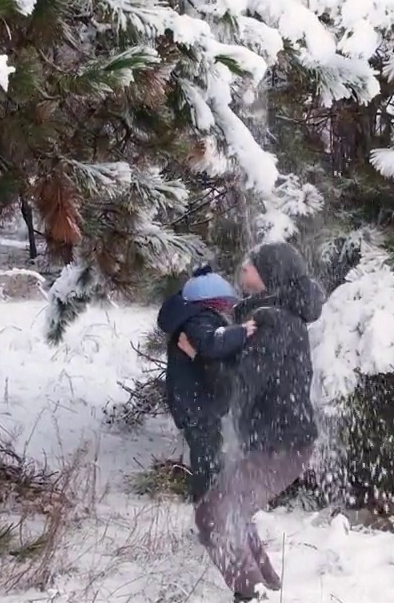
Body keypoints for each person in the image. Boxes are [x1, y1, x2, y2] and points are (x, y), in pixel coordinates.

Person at [190, 241, 323, 602]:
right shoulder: (274, 315)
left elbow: (243, 380)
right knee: (232, 511)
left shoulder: (273, 320)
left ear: (270, 275)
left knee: (214, 515)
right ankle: (267, 589)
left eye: (252, 265)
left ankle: (253, 596)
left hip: (280, 445)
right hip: (279, 441)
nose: (244, 268)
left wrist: (202, 358)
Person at [156, 265, 257, 504]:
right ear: (212, 302)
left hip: (196, 402)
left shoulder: (193, 319)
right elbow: (213, 344)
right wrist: (241, 333)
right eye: (224, 304)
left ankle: (212, 504)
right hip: (197, 403)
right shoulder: (199, 321)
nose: (228, 309)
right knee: (207, 458)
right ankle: (208, 507)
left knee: (210, 454)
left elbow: (208, 356)